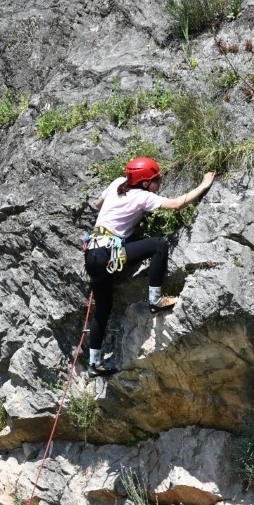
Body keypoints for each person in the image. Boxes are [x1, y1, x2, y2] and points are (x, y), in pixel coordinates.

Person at [84, 157, 215, 376]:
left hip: (92, 254)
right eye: (156, 180)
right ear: (145, 183)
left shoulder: (117, 183)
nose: (159, 182)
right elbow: (177, 204)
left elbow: (98, 204)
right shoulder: (143, 196)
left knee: (103, 310)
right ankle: (155, 299)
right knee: (158, 244)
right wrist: (203, 185)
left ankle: (94, 364)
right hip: (109, 253)